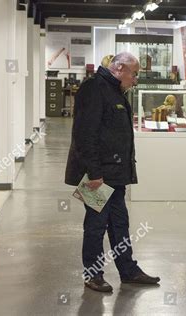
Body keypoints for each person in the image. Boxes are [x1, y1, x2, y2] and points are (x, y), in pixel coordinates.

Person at [65, 52, 160, 292]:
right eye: (134, 73)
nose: (136, 79)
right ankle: (93, 274)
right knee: (96, 226)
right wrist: (95, 173)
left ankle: (128, 270)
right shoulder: (94, 88)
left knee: (120, 224)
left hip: (115, 175)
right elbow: (84, 135)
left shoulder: (115, 90)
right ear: (119, 68)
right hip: (96, 176)